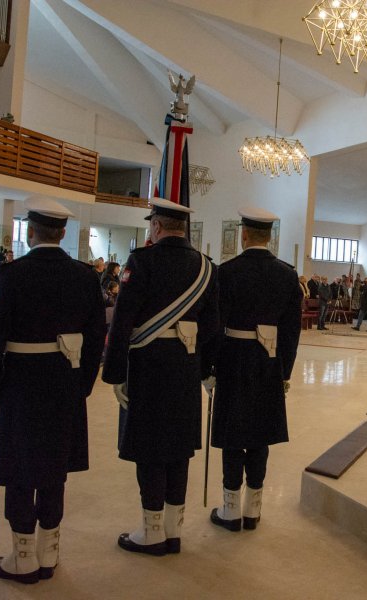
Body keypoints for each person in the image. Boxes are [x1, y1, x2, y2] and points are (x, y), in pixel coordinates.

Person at [0, 196, 106, 584]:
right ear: (62, 233)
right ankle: (50, 551)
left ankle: (23, 557)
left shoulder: (11, 275)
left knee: (19, 466)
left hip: (20, 382)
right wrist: (82, 384)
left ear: (30, 232)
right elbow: (97, 336)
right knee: (54, 466)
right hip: (64, 380)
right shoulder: (84, 275)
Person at [102, 198, 218, 557]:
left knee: (150, 447)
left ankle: (151, 533)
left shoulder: (141, 261)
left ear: (156, 226)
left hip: (148, 365)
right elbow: (212, 327)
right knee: (179, 447)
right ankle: (173, 530)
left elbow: (123, 320)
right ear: (184, 228)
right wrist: (206, 371)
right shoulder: (206, 267)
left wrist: (115, 373)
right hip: (185, 367)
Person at [210, 206, 301, 533]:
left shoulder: (227, 271)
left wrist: (210, 367)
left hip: (233, 358)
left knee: (233, 433)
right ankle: (253, 508)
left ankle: (230, 510)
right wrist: (285, 371)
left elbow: (215, 324)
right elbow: (292, 330)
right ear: (270, 236)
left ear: (244, 234)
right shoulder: (287, 274)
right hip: (269, 361)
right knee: (260, 432)